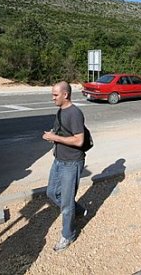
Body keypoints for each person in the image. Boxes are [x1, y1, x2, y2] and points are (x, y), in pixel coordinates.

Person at [42, 81, 88, 252]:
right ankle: (78, 210)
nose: (52, 97)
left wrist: (55, 138)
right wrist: (52, 135)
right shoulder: (61, 110)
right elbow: (61, 132)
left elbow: (79, 140)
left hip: (72, 162)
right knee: (52, 192)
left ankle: (68, 235)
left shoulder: (75, 113)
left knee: (66, 204)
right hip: (59, 160)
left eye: (55, 95)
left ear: (65, 95)